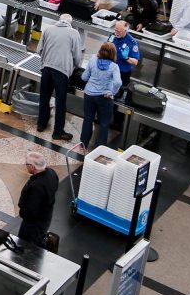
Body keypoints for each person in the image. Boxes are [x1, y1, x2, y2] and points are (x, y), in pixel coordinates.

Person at [36, 13, 81, 141]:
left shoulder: (48, 29)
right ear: (70, 23)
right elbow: (77, 57)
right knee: (60, 102)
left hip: (46, 68)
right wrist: (75, 67)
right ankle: (58, 132)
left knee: (44, 97)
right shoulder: (74, 34)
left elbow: (39, 49)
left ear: (59, 20)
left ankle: (41, 124)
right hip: (61, 71)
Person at [78, 43, 122, 150]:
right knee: (104, 123)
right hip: (104, 97)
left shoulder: (93, 60)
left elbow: (84, 77)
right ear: (113, 54)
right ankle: (99, 148)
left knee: (88, 119)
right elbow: (118, 83)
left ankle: (83, 144)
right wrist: (112, 92)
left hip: (89, 94)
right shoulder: (114, 67)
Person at [17, 152, 59, 246]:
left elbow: (31, 211)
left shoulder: (36, 187)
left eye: (27, 164)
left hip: (33, 224)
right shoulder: (51, 173)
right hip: (46, 216)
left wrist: (22, 212)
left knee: (26, 245)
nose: (26, 166)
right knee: (39, 239)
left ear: (32, 167)